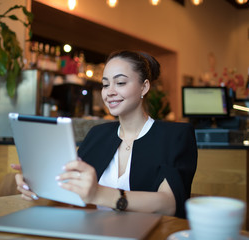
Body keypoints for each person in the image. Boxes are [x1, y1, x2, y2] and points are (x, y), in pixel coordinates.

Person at [12, 50, 197, 218]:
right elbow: (73, 190)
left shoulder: (175, 136)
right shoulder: (98, 134)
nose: (110, 92)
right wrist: (38, 184)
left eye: (121, 83)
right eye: (105, 84)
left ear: (144, 87)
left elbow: (169, 204)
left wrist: (99, 194)